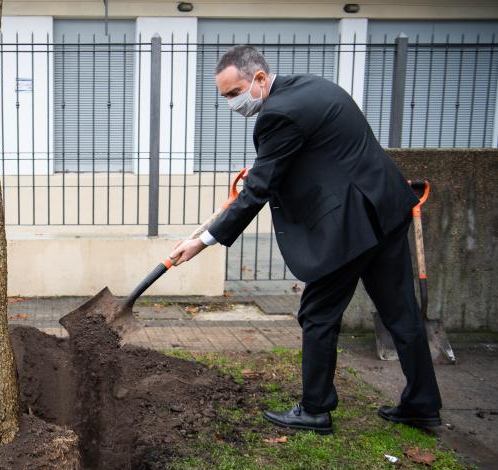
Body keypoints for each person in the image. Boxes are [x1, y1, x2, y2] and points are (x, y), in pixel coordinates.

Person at [169, 45, 442, 435]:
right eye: (224, 97)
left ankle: (315, 409)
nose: (231, 104)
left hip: (353, 225)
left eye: (234, 93)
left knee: (317, 313)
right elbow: (323, 155)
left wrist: (204, 240)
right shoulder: (315, 87)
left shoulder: (277, 115)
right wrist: (269, 168)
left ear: (260, 79)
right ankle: (422, 404)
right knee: (401, 313)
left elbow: (258, 191)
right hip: (387, 207)